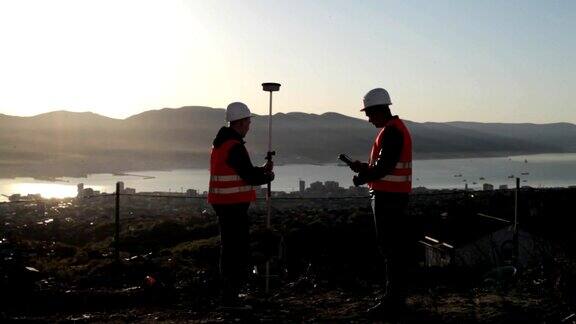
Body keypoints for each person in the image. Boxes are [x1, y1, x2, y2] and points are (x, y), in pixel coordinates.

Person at [348, 88, 416, 316]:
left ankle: (394, 301)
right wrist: (365, 168)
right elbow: (385, 165)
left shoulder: (392, 132)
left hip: (389, 198)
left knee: (391, 249)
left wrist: (362, 176)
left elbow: (384, 167)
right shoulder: (393, 130)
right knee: (392, 249)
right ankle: (394, 297)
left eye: (369, 113)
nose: (368, 118)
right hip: (392, 196)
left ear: (379, 110)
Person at [208, 102, 274, 307]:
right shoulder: (234, 146)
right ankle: (231, 297)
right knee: (235, 252)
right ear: (242, 122)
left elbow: (240, 170)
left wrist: (261, 170)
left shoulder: (222, 143)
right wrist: (267, 176)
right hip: (232, 206)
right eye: (248, 122)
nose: (249, 126)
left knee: (229, 250)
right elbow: (247, 176)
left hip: (224, 204)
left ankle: (230, 295)